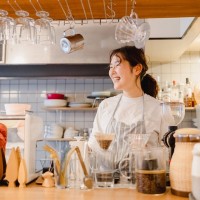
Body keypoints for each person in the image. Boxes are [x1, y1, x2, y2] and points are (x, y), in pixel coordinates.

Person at [88, 45, 169, 163]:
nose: (112, 71)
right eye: (111, 67)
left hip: (145, 180)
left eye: (117, 65)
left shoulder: (160, 108)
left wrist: (147, 153)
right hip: (108, 180)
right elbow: (93, 147)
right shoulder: (106, 106)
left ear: (137, 69)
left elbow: (169, 152)